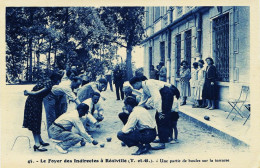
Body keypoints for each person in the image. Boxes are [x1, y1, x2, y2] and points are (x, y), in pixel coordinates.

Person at [129, 76, 180, 150]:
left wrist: (160, 111)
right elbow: (144, 98)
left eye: (133, 86)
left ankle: (163, 143)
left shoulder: (149, 83)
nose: (134, 88)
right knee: (157, 117)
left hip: (168, 93)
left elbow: (157, 98)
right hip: (164, 94)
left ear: (137, 83)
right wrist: (137, 107)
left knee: (162, 118)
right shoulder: (145, 86)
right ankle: (163, 137)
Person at [23, 72, 62, 152]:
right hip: (33, 102)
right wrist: (27, 92)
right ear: (55, 80)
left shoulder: (47, 81)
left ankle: (40, 140)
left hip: (36, 101)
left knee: (38, 121)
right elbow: (37, 93)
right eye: (59, 80)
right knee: (35, 122)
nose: (59, 82)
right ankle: (37, 144)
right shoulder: (49, 85)